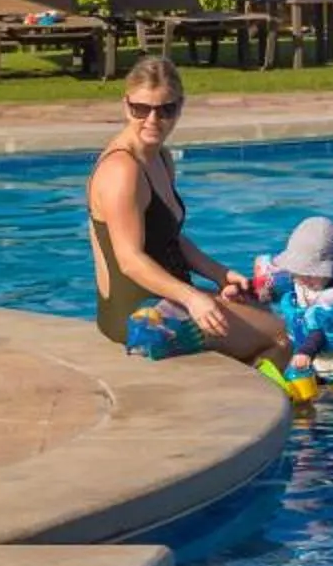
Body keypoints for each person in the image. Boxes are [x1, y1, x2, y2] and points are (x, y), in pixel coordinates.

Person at [88, 55, 286, 363]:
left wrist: (220, 274)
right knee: (282, 337)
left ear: (180, 107)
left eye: (165, 109)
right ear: (126, 106)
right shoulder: (121, 170)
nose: (153, 120)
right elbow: (129, 260)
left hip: (168, 299)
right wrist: (193, 298)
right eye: (141, 109)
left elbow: (169, 238)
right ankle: (276, 408)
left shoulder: (160, 157)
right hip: (143, 318)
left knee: (262, 311)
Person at [249, 214, 333, 400]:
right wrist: (250, 293)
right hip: (318, 366)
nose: (302, 278)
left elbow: (319, 332)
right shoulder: (302, 279)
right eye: (298, 271)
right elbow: (274, 290)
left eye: (311, 273)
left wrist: (305, 352)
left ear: (332, 271)